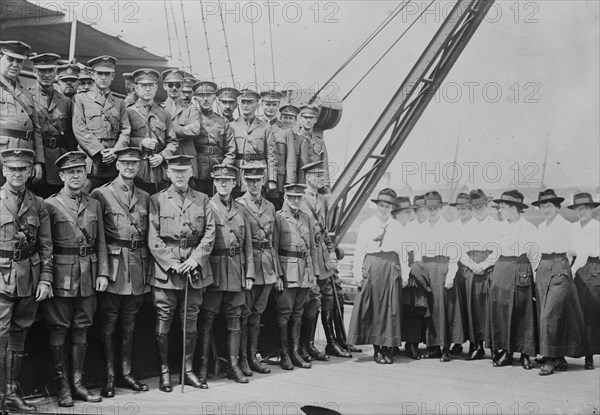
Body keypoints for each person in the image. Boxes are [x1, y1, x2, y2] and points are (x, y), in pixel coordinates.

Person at [42, 151, 108, 406]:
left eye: (79, 171)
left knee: (82, 328)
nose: (76, 176)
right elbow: (46, 245)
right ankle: (63, 387)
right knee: (59, 329)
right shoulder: (50, 205)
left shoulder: (94, 204)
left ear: (85, 174)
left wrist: (102, 272)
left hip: (88, 276)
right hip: (61, 276)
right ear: (61, 176)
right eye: (70, 172)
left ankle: (78, 384)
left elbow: (100, 241)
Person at [147, 154, 215, 392]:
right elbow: (153, 237)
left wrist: (195, 260)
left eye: (184, 172)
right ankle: (165, 372)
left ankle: (188, 370)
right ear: (167, 173)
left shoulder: (203, 199)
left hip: (194, 271)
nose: (179, 176)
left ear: (191, 173)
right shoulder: (157, 199)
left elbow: (209, 233)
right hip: (166, 272)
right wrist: (171, 262)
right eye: (175, 171)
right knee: (163, 320)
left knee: (191, 321)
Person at [90, 147, 150, 398]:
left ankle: (126, 373)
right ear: (116, 165)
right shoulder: (101, 194)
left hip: (137, 264)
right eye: (124, 163)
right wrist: (102, 270)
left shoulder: (146, 196)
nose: (129, 167)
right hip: (113, 266)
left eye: (134, 163)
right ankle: (110, 377)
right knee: (109, 323)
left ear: (139, 167)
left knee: (129, 323)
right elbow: (98, 238)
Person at [0, 149, 53, 413]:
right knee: (0, 337)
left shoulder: (39, 204)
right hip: (1, 277)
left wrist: (45, 279)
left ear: (30, 172)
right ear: (4, 171)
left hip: (29, 278)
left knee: (19, 336)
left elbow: (46, 247)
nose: (18, 174)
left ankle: (10, 393)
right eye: (12, 169)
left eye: (23, 169)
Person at [199, 164, 254, 385]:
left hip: (236, 270)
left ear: (234, 183)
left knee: (234, 320)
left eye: (228, 180)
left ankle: (233, 365)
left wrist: (249, 273)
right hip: (214, 270)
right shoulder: (206, 206)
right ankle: (202, 367)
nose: (223, 184)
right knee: (207, 320)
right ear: (214, 182)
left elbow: (248, 245)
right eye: (219, 180)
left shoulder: (241, 210)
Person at [348, 188, 409, 364]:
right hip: (372, 267)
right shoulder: (367, 225)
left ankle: (388, 348)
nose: (384, 209)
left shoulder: (396, 226)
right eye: (381, 205)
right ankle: (377, 349)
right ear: (377, 206)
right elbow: (359, 250)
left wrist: (404, 273)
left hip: (391, 266)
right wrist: (357, 273)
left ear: (392, 208)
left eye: (388, 206)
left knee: (390, 309)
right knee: (373, 308)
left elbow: (402, 252)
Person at [300, 161, 350, 360]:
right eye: (315, 175)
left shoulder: (323, 199)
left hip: (322, 253)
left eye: (321, 174)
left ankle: (331, 342)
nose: (319, 178)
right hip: (308, 255)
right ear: (307, 177)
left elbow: (324, 230)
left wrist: (330, 253)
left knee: (328, 297)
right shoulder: (299, 198)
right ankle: (308, 345)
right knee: (313, 300)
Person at [533, 189, 584, 375]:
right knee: (543, 313)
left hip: (560, 267)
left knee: (550, 315)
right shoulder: (540, 227)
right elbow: (537, 252)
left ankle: (549, 360)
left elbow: (580, 251)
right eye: (542, 206)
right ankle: (557, 357)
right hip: (543, 268)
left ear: (556, 206)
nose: (545, 209)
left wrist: (570, 270)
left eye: (548, 205)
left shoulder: (567, 226)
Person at [236, 165, 281, 375]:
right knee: (244, 314)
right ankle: (242, 359)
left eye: (258, 180)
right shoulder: (239, 205)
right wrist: (247, 272)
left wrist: (277, 273)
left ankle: (253, 356)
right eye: (250, 180)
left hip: (268, 267)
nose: (254, 184)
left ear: (263, 180)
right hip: (250, 266)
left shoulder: (270, 207)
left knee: (257, 314)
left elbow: (274, 242)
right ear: (244, 180)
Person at [486, 189, 538, 370]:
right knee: (502, 311)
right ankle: (507, 352)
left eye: (503, 208)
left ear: (515, 208)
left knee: (523, 311)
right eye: (499, 208)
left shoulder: (530, 228)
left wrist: (536, 280)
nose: (500, 211)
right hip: (501, 269)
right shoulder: (499, 227)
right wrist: (484, 266)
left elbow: (534, 256)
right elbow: (494, 253)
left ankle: (525, 354)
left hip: (521, 269)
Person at [273, 184, 319, 370]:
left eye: (299, 198)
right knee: (284, 313)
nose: (295, 201)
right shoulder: (278, 217)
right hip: (287, 271)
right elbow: (273, 248)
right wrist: (277, 275)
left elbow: (312, 247)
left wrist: (314, 273)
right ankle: (284, 354)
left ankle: (295, 352)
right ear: (285, 196)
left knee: (298, 312)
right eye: (292, 197)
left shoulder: (306, 218)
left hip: (304, 272)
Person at [414, 191, 463, 362]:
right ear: (425, 210)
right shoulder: (421, 227)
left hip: (442, 268)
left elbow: (455, 254)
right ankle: (432, 347)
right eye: (429, 208)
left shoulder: (449, 227)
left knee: (443, 308)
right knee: (429, 308)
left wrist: (450, 275)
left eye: (436, 208)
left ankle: (445, 348)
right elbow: (418, 251)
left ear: (441, 209)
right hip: (425, 269)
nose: (432, 211)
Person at [72, 55, 131, 191]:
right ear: (93, 75)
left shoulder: (119, 102)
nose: (103, 77)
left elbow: (126, 130)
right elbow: (79, 129)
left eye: (107, 74)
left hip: (113, 162)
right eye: (100, 73)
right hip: (91, 162)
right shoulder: (81, 99)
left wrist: (116, 151)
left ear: (112, 76)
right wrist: (99, 151)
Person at [28, 53, 77, 198]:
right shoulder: (26, 97)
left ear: (56, 72)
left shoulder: (65, 101)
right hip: (37, 161)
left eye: (50, 70)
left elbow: (71, 137)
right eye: (42, 71)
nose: (47, 75)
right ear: (34, 72)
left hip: (58, 162)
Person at [459, 189, 498, 360]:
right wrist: (472, 265)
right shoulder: (467, 227)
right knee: (473, 307)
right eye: (475, 208)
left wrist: (484, 264)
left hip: (489, 267)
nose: (478, 211)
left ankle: (495, 347)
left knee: (490, 307)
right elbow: (460, 251)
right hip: (471, 266)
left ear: (487, 206)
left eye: (481, 207)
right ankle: (476, 346)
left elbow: (498, 249)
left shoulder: (496, 225)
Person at [126, 68, 178, 194]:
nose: (147, 89)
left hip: (159, 172)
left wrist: (162, 156)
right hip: (137, 172)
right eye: (143, 85)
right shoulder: (129, 112)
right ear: (136, 88)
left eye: (151, 85)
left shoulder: (164, 114)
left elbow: (173, 142)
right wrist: (141, 143)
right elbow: (121, 140)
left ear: (156, 88)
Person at [0, 41, 44, 186]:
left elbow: (36, 129)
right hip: (3, 152)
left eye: (19, 61)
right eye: (10, 59)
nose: (15, 64)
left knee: (20, 199)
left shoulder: (26, 93)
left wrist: (38, 161)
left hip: (25, 153)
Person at [569, 193, 600, 370]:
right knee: (576, 310)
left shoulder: (596, 227)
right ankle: (575, 350)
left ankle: (589, 355)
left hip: (592, 268)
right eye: (579, 209)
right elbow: (571, 249)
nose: (582, 212)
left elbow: (586, 251)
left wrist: (574, 265)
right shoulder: (574, 227)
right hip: (577, 268)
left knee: (590, 311)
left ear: (591, 209)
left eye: (585, 208)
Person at [230, 89, 277, 197]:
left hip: (259, 173)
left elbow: (271, 155)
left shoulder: (265, 127)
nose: (245, 105)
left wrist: (272, 179)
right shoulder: (232, 126)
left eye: (250, 102)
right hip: (239, 174)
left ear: (257, 104)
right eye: (243, 102)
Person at [192, 80, 236, 195]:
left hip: (218, 168)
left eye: (209, 95)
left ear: (214, 98)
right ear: (195, 98)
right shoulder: (191, 119)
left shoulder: (223, 121)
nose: (205, 99)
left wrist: (223, 169)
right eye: (201, 96)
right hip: (196, 170)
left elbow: (230, 150)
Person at [401, 194, 430, 360]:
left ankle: (417, 344)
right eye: (419, 210)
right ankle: (405, 343)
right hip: (411, 272)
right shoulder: (408, 227)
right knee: (408, 308)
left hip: (426, 272)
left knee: (421, 310)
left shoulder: (432, 227)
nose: (423, 213)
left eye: (425, 209)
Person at [160, 69, 200, 180]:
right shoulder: (158, 109)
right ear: (164, 86)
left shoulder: (191, 108)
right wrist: (184, 130)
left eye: (177, 85)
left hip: (186, 157)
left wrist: (169, 131)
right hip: (167, 157)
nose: (174, 88)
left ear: (182, 86)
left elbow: (195, 129)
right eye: (170, 84)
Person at [449, 192, 471, 355]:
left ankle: (474, 343)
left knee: (472, 307)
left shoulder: (476, 224)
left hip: (472, 269)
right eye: (459, 208)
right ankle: (457, 341)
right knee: (458, 308)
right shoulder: (453, 226)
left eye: (465, 207)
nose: (462, 210)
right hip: (456, 269)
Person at [268, 103, 299, 210]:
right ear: (280, 117)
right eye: (285, 117)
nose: (287, 120)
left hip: (279, 180)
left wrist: (289, 183)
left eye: (291, 118)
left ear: (295, 120)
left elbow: (291, 160)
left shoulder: (287, 132)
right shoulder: (268, 128)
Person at [296, 104, 330, 189]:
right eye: (305, 117)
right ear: (300, 119)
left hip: (316, 186)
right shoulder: (294, 138)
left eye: (311, 118)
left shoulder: (320, 142)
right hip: (299, 185)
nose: (308, 120)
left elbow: (325, 166)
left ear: (315, 120)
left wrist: (326, 185)